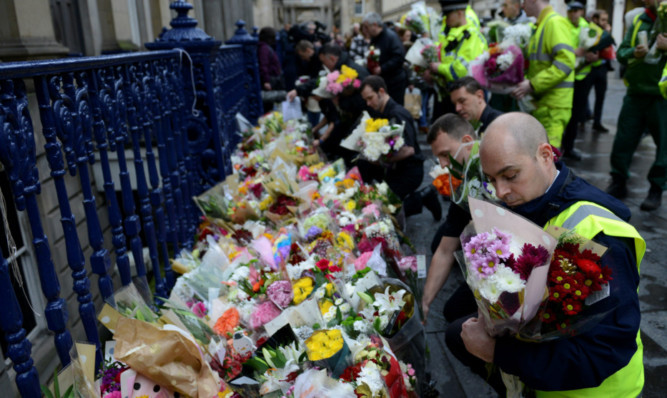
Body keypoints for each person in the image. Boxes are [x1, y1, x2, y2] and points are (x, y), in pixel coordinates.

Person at [447, 112, 645, 397]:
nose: (501, 191)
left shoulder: (596, 233)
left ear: (545, 155)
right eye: (491, 178)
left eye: (511, 175)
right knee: (456, 326)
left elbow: (605, 350)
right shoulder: (528, 202)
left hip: (596, 390)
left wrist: (500, 353)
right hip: (542, 376)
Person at [607, 0, 667, 211]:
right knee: (624, 140)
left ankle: (656, 189)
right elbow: (621, 53)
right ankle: (618, 181)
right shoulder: (637, 20)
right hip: (635, 93)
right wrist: (634, 52)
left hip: (662, 96)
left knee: (664, 147)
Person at [422, 113, 479, 321]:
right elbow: (446, 249)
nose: (443, 164)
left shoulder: (497, 170)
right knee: (452, 312)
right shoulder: (465, 183)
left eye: (446, 154)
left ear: (467, 142)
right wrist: (425, 302)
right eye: (439, 157)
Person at [359, 76, 442, 220]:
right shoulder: (384, 111)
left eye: (370, 98)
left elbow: (409, 149)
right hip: (396, 169)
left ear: (381, 91)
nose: (368, 103)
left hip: (410, 171)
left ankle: (425, 196)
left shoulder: (397, 114)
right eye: (365, 100)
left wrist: (380, 159)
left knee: (388, 209)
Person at [511, 0, 575, 149]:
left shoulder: (554, 23)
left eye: (523, 1)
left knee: (548, 158)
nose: (522, 5)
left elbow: (565, 62)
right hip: (544, 104)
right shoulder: (543, 25)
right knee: (542, 156)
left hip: (553, 106)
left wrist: (532, 84)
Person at [426, 0, 487, 121]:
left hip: (464, 99)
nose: (445, 20)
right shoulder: (452, 36)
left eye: (448, 16)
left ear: (460, 13)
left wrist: (438, 68)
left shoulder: (471, 36)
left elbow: (462, 71)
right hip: (448, 96)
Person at [561, 1, 597, 161]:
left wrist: (592, 57)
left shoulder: (588, 27)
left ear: (582, 11)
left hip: (582, 76)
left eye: (576, 11)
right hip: (565, 75)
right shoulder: (562, 24)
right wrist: (574, 52)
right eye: (571, 11)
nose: (573, 14)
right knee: (561, 111)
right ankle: (557, 145)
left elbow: (594, 49)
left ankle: (569, 147)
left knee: (576, 114)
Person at [362, 12, 409, 105]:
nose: (365, 31)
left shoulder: (391, 36)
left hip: (395, 82)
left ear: (374, 25)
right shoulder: (374, 39)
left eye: (366, 27)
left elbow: (399, 57)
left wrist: (382, 68)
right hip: (384, 81)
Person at [585, 10, 614, 133]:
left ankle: (597, 122)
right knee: (584, 95)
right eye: (602, 20)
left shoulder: (605, 31)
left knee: (600, 97)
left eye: (606, 20)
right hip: (590, 69)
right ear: (595, 19)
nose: (604, 23)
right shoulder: (591, 30)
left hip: (602, 68)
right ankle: (583, 118)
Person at [258, 27, 285, 112]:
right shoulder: (264, 48)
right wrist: (266, 81)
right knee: (270, 102)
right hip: (271, 79)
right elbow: (264, 65)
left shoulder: (266, 47)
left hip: (272, 77)